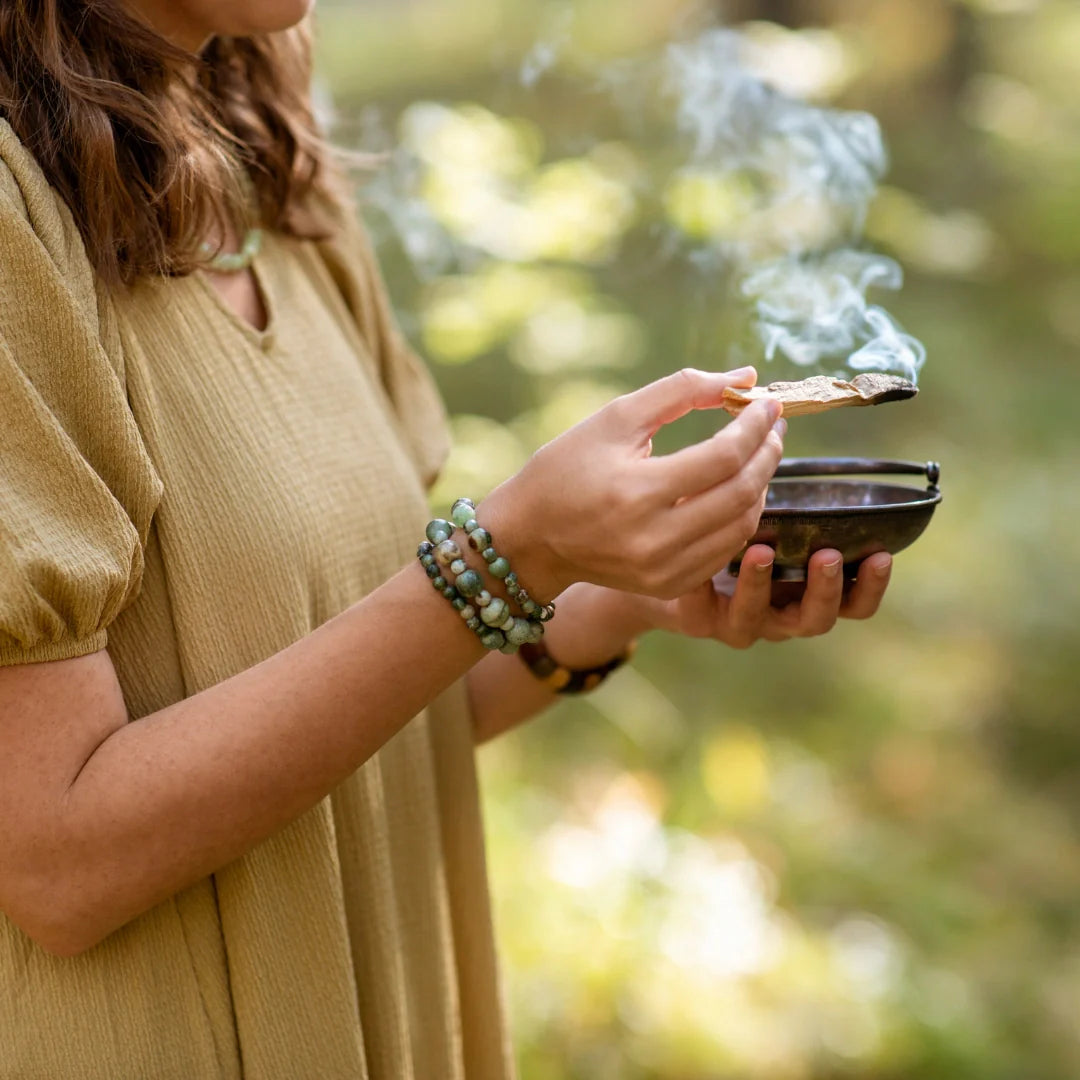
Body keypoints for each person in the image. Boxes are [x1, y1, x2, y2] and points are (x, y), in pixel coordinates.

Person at [0, 2, 893, 1077]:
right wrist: (510, 555)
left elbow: (385, 709)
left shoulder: (271, 172)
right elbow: (55, 866)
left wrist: (621, 591)